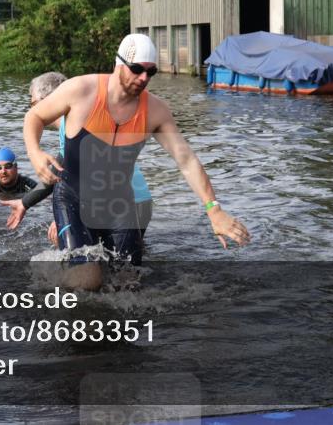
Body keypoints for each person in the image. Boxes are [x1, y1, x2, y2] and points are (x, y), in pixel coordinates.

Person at [24, 34, 250, 289]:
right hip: (74, 197)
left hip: (119, 204)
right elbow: (34, 117)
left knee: (129, 284)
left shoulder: (155, 110)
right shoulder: (82, 90)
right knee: (88, 281)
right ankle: (52, 284)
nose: (144, 78)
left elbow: (186, 160)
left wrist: (214, 210)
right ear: (119, 64)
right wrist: (35, 153)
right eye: (137, 69)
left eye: (150, 72)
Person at [3, 72, 154, 239]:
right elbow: (65, 172)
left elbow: (75, 173)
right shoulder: (75, 121)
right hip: (140, 199)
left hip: (123, 202)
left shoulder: (72, 125)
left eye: (33, 103)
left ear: (48, 100)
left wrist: (68, 215)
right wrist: (26, 202)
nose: (32, 109)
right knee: (118, 254)